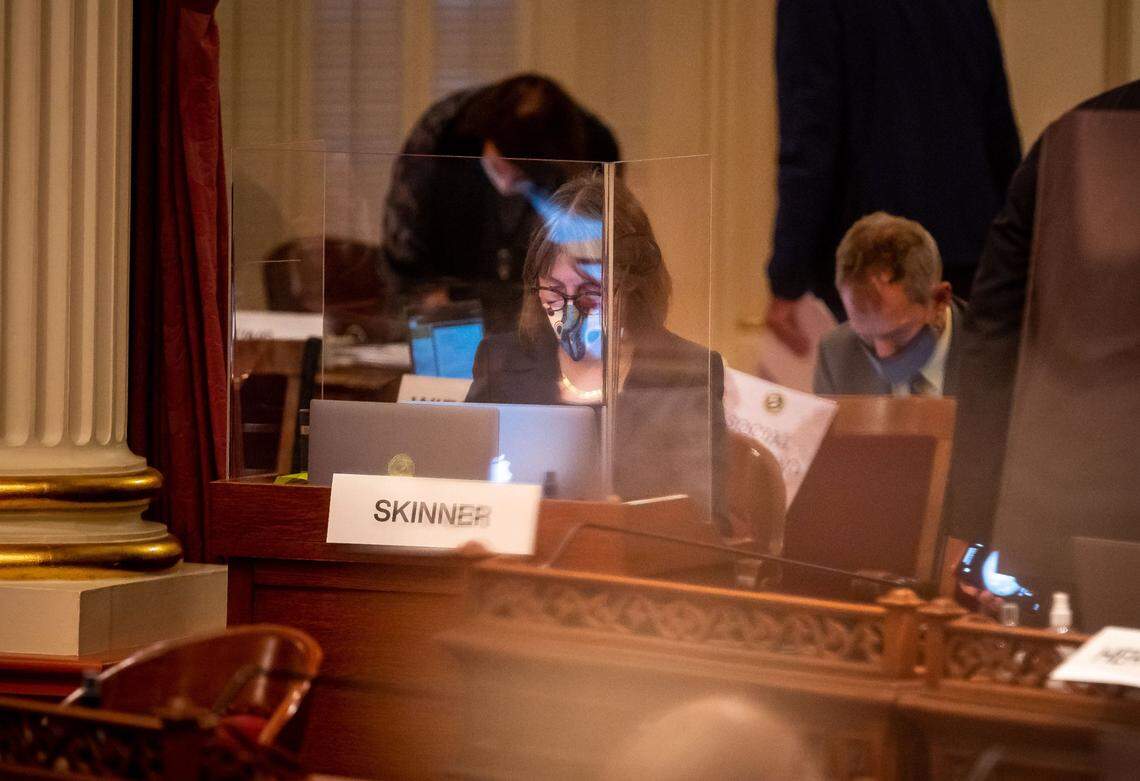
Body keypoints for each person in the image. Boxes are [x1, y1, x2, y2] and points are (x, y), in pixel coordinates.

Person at [943, 79, 1140, 584]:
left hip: (1063, 497)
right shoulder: (1068, 141)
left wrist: (971, 517)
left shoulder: (1071, 137)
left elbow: (992, 335)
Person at [466, 174, 727, 531]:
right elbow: (459, 487)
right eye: (554, 290)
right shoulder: (501, 360)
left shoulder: (685, 372)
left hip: (633, 561)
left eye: (590, 292)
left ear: (630, 285)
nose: (569, 311)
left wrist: (625, 522)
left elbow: (708, 521)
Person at [765, 0, 1021, 355]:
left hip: (874, 259)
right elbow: (1000, 137)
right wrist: (1014, 262)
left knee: (884, 387)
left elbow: (810, 139)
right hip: (969, 250)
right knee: (962, 386)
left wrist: (786, 279)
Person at [379, 74, 620, 333]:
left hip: (543, 322)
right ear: (485, 137)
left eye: (521, 177)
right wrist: (424, 304)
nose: (505, 185)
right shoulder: (442, 137)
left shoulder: (593, 152)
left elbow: (590, 264)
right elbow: (404, 257)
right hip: (448, 313)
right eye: (498, 168)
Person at [813, 212, 962, 396]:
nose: (883, 354)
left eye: (899, 334)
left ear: (939, 300)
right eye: (866, 337)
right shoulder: (836, 355)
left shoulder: (993, 354)